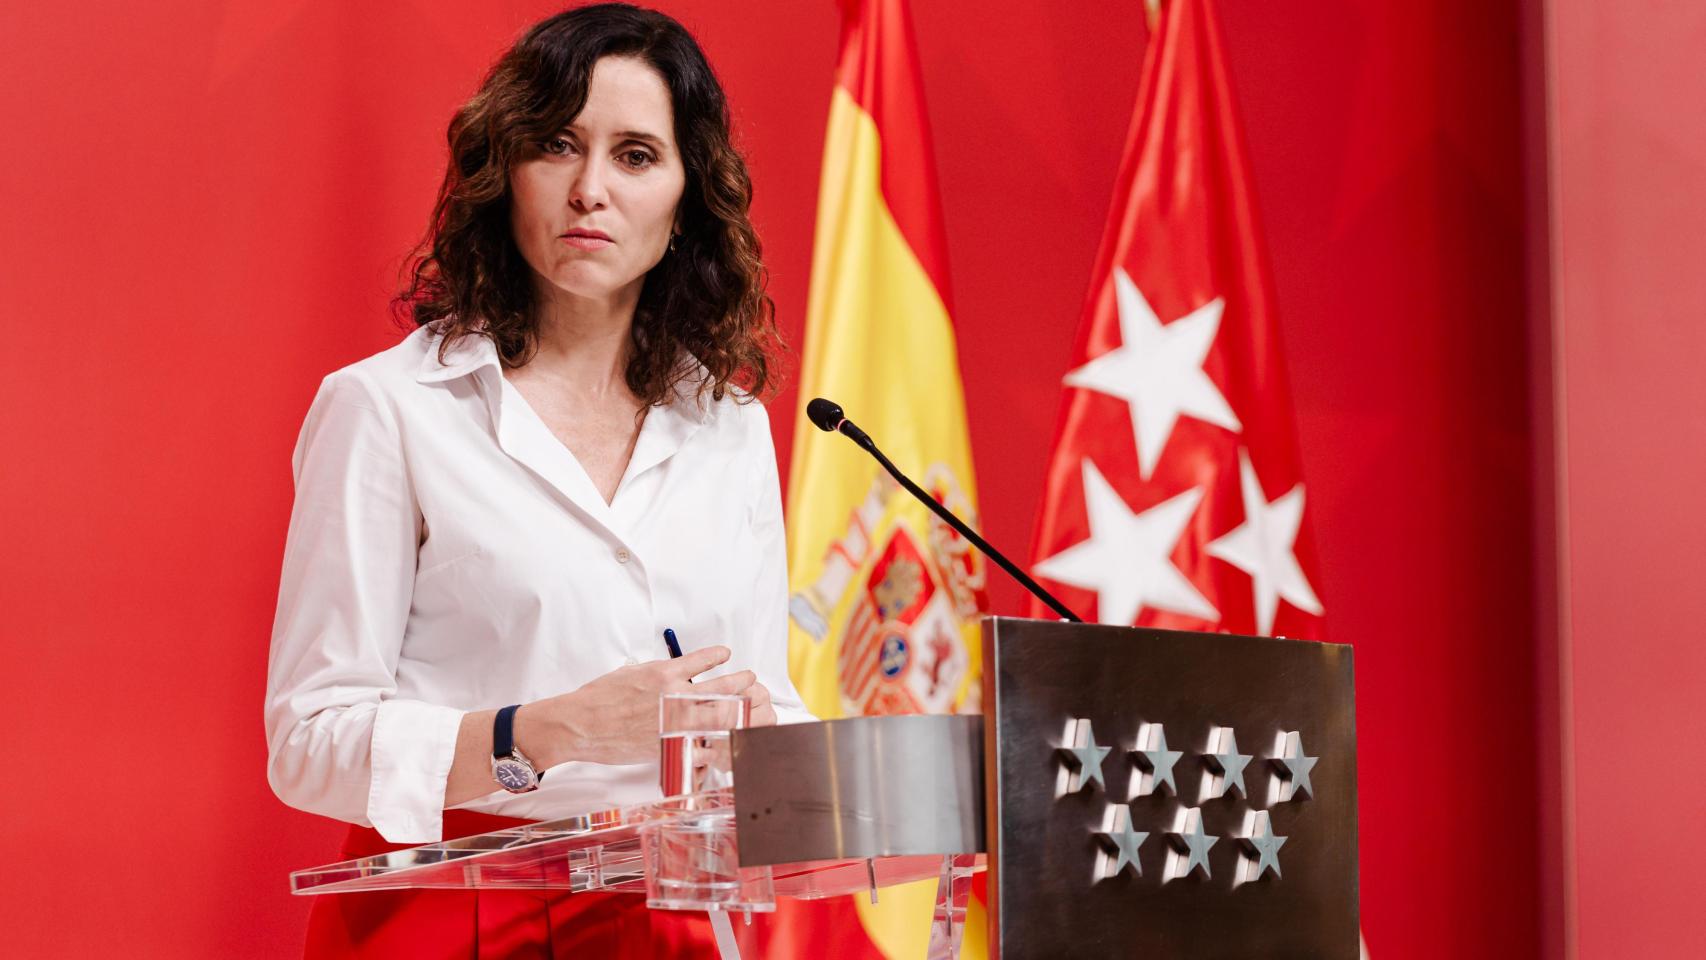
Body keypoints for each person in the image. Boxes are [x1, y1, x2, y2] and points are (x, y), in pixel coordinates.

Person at [264, 4, 813, 955]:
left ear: (687, 199)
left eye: (636, 155)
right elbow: (309, 741)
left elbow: (766, 698)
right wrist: (544, 732)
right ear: (503, 170)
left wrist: (797, 753)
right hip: (455, 911)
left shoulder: (730, 428)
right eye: (558, 145)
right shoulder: (388, 408)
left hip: (677, 917)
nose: (590, 189)